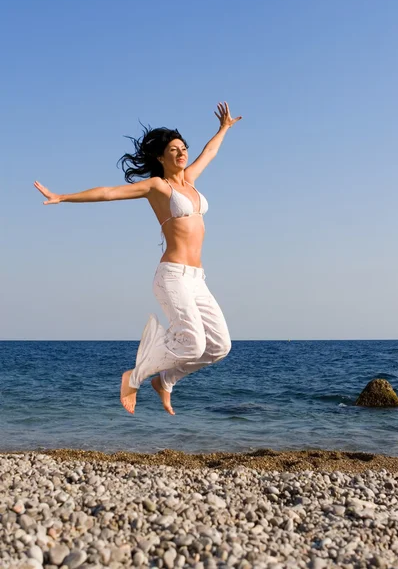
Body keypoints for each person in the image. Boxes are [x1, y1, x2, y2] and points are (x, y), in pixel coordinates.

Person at [34, 102, 242, 416]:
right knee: (194, 344)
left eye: (184, 147)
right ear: (161, 157)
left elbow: (210, 153)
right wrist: (62, 197)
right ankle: (134, 376)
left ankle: (165, 380)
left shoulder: (191, 181)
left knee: (219, 347)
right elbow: (108, 193)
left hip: (197, 279)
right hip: (172, 276)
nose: (182, 153)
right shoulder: (158, 187)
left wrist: (224, 128)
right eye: (174, 149)